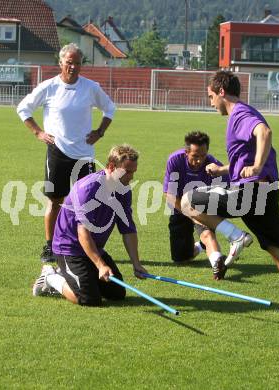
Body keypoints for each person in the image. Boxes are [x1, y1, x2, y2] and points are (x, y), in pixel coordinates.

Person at [181, 71, 279, 316]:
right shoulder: (243, 112)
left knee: (188, 201)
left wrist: (257, 165)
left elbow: (264, 133)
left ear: (221, 92)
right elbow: (245, 158)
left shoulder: (239, 113)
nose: (210, 103)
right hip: (266, 190)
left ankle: (236, 237)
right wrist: (223, 169)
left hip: (249, 190)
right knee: (276, 249)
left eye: (210, 97)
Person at [17, 43, 116, 263]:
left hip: (85, 155)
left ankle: (88, 246)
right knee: (55, 201)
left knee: (87, 202)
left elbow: (110, 108)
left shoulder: (90, 87)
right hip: (58, 153)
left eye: (77, 63)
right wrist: (38, 132)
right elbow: (23, 108)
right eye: (69, 62)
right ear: (61, 63)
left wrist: (100, 131)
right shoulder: (49, 87)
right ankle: (49, 246)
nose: (73, 67)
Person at [32, 144, 148, 306]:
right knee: (89, 299)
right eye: (127, 171)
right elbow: (83, 233)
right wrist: (100, 265)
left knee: (117, 294)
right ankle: (50, 277)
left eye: (133, 172)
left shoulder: (124, 190)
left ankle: (76, 276)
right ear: (111, 167)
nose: (131, 177)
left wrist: (136, 264)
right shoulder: (87, 189)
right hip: (70, 249)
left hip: (94, 249)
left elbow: (127, 229)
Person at [163, 131, 230, 280]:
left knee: (207, 234)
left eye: (203, 155)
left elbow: (230, 187)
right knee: (181, 259)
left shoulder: (213, 164)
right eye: (195, 156)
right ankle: (199, 246)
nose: (200, 160)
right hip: (179, 207)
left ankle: (217, 263)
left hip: (203, 207)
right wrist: (191, 214)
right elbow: (169, 195)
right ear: (187, 152)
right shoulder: (175, 160)